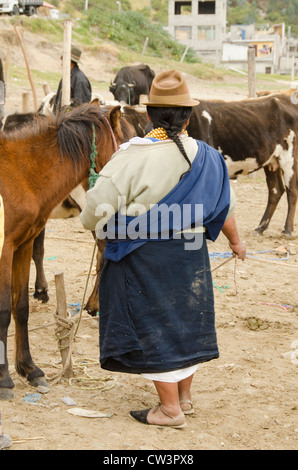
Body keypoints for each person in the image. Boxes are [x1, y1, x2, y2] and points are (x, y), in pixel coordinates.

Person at [80, 70, 246, 429]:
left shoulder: (131, 156)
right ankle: (182, 398)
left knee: (153, 323)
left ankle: (169, 410)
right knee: (185, 319)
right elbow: (224, 204)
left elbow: (94, 211)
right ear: (187, 117)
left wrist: (102, 222)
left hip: (144, 255)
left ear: (150, 114)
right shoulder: (208, 156)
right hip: (191, 252)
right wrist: (235, 241)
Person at [53, 45, 92, 114]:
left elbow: (79, 108)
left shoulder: (80, 80)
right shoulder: (67, 76)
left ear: (69, 60)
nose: (60, 59)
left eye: (62, 57)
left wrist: (66, 111)